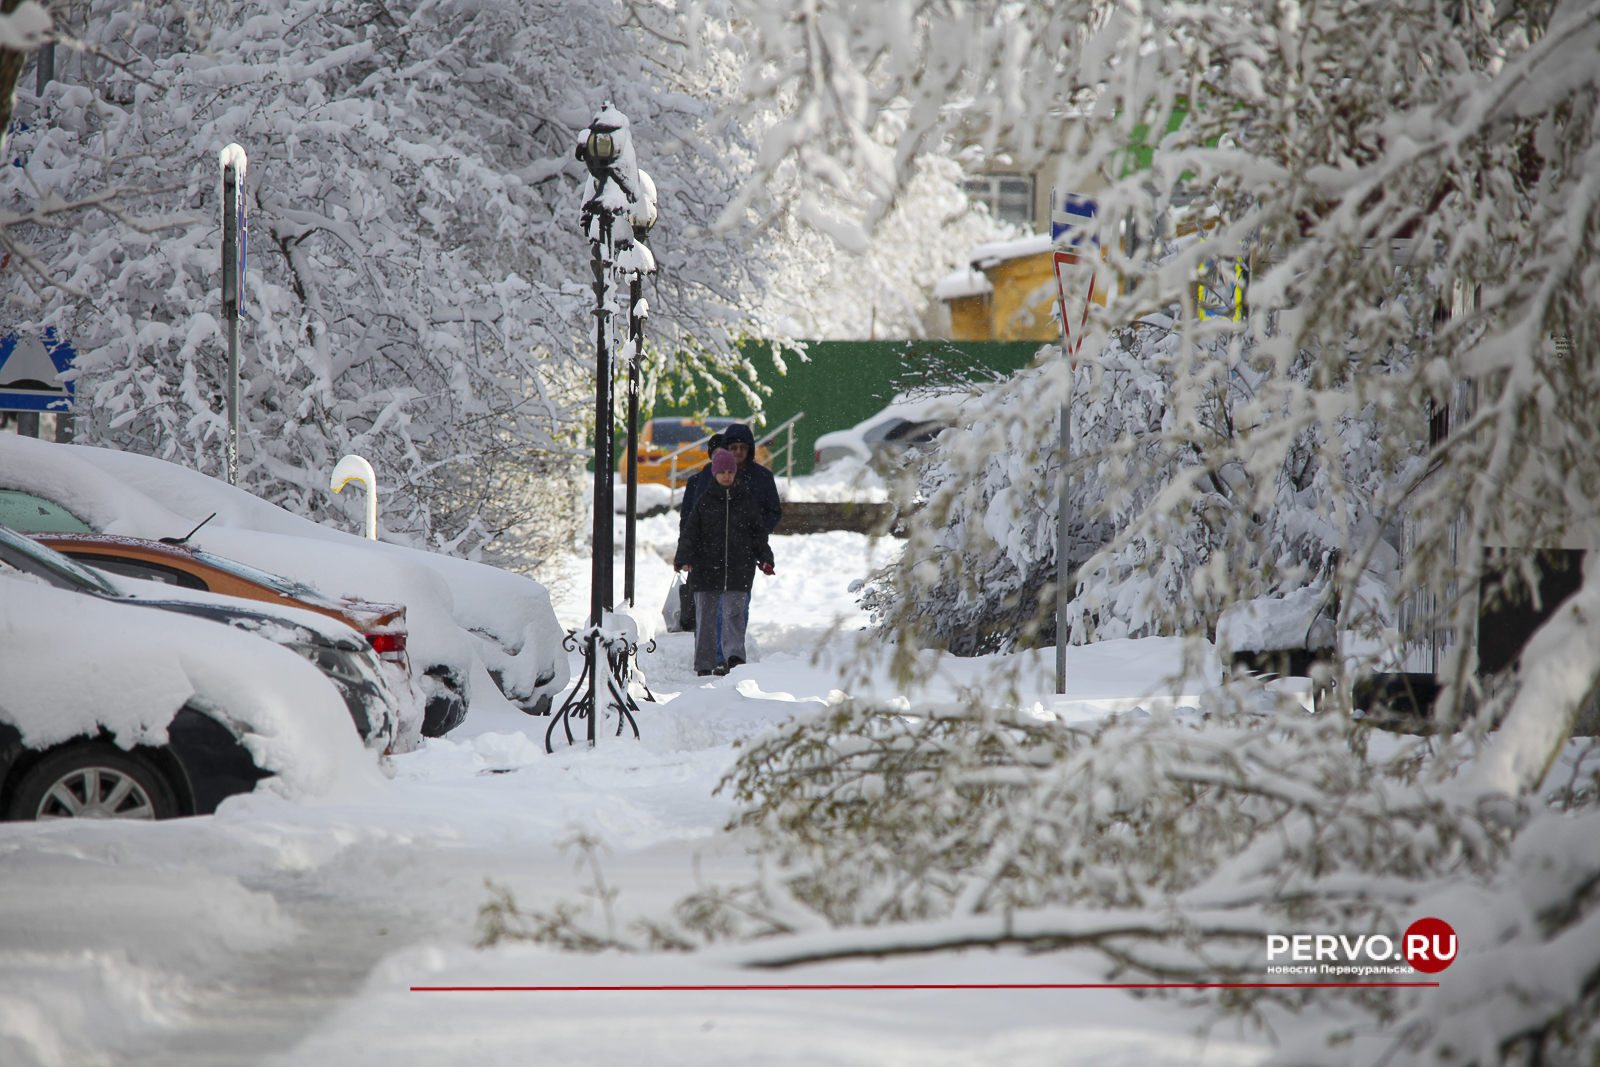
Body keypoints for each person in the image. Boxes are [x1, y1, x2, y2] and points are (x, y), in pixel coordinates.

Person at [675, 448, 775, 676]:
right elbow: (690, 532)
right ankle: (705, 664)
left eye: (731, 471)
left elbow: (758, 534)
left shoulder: (746, 501)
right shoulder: (704, 501)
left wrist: (766, 558)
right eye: (722, 472)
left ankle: (734, 658)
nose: (727, 476)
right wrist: (684, 558)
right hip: (706, 567)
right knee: (706, 617)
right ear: (714, 473)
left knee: (734, 615)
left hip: (739, 568)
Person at [678, 422, 782, 535]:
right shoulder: (709, 471)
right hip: (712, 544)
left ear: (750, 449)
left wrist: (757, 534)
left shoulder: (762, 475)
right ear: (726, 448)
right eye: (733, 447)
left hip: (748, 547)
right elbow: (695, 510)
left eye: (743, 447)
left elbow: (773, 511)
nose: (738, 451)